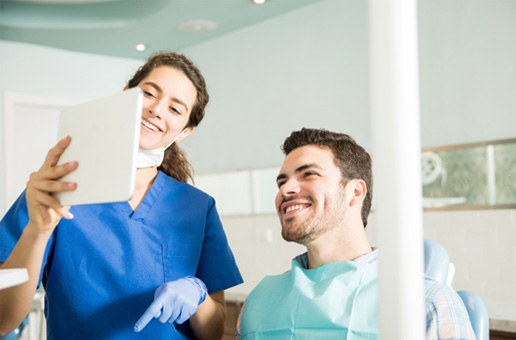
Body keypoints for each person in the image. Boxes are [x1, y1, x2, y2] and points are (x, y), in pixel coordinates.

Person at [0, 51, 243, 339]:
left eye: (175, 109)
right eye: (149, 93)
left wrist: (198, 295)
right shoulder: (56, 189)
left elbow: (213, 332)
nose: (157, 110)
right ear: (126, 94)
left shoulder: (197, 207)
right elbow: (3, 320)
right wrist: (38, 231)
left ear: (185, 131)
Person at [238, 128, 475, 339]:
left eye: (308, 174)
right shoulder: (259, 302)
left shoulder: (426, 302)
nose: (285, 190)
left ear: (355, 192)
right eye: (282, 182)